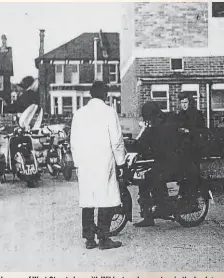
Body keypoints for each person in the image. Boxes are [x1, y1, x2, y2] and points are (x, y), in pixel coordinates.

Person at [70, 81, 126, 250]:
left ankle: (89, 239)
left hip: (86, 163)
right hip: (104, 161)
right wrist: (121, 162)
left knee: (88, 200)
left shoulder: (79, 114)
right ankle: (103, 238)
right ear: (104, 95)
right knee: (105, 198)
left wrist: (77, 162)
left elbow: (73, 141)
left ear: (90, 95)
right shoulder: (109, 112)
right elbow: (116, 140)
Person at [133, 101, 185, 227]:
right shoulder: (155, 123)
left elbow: (155, 142)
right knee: (144, 180)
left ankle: (163, 206)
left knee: (154, 177)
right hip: (161, 160)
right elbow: (143, 141)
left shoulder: (164, 124)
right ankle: (148, 216)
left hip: (173, 161)